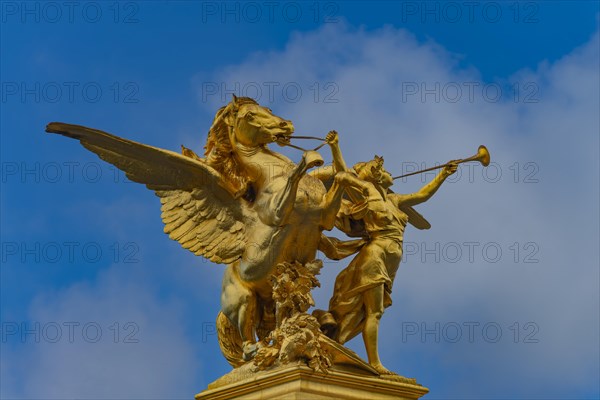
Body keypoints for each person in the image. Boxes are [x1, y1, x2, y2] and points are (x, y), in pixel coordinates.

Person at [325, 131, 457, 374]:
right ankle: (375, 363)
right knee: (373, 312)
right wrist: (335, 147)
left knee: (371, 312)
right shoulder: (365, 190)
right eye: (383, 169)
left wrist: (443, 175)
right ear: (374, 174)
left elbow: (421, 195)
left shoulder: (394, 200)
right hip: (375, 255)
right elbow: (342, 172)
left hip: (391, 261)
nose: (389, 172)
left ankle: (344, 345)